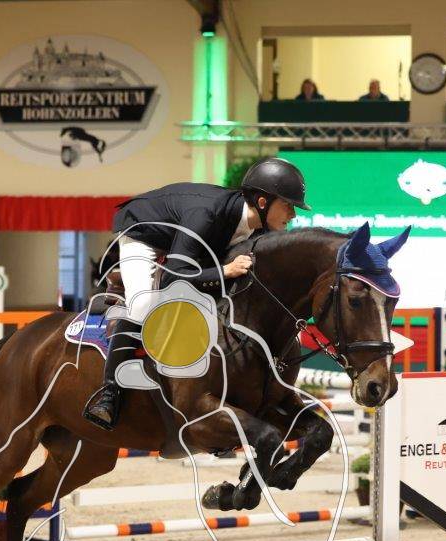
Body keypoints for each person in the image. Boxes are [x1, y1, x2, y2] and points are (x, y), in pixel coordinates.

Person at [84, 157, 310, 430]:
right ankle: (109, 393)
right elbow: (174, 275)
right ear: (263, 202)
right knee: (143, 304)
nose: (293, 215)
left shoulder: (257, 228)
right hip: (144, 233)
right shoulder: (207, 214)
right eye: (288, 205)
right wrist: (224, 271)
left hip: (187, 239)